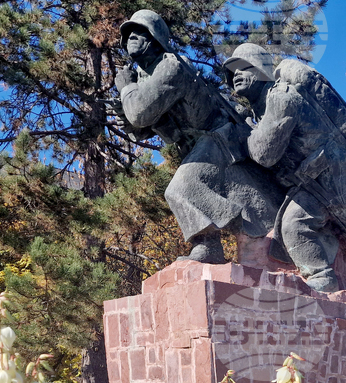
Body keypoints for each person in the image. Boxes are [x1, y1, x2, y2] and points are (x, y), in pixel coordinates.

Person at [225, 44, 346, 292]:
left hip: (337, 176)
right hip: (309, 184)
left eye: (244, 67)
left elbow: (264, 154)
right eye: (232, 72)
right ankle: (322, 278)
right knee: (294, 225)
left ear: (261, 69)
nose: (237, 75)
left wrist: (244, 134)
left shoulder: (281, 98)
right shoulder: (259, 111)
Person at [116, 11, 283, 263]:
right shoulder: (145, 76)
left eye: (138, 32)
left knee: (180, 189)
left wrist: (126, 90)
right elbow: (147, 124)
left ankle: (209, 247)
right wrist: (127, 116)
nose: (131, 37)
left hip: (218, 135)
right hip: (199, 143)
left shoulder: (170, 66)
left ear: (154, 38)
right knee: (185, 189)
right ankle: (210, 245)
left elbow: (139, 113)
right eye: (127, 34)